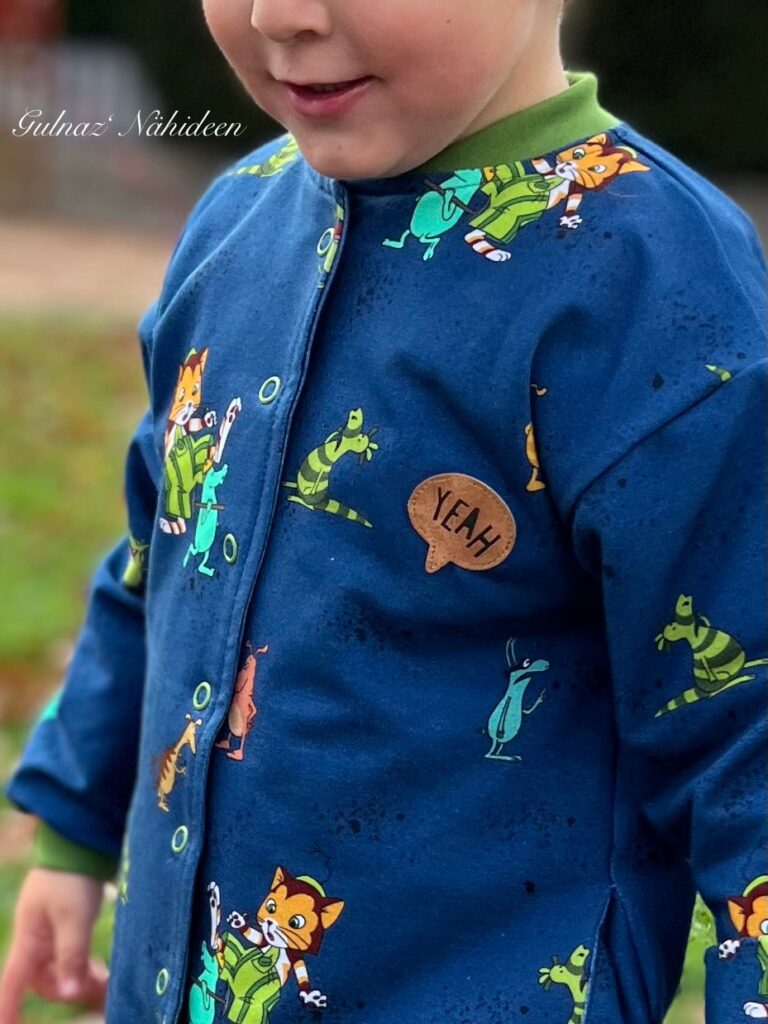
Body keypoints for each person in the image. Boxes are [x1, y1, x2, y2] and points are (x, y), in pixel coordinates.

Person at [1, 0, 766, 1022]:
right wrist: (74, 821)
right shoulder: (235, 222)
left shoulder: (658, 295)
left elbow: (746, 730)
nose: (280, 14)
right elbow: (165, 549)